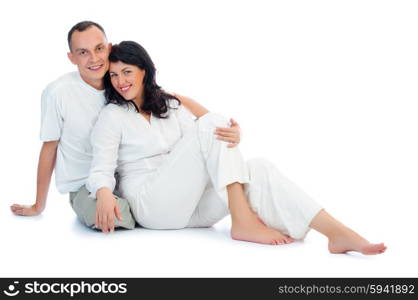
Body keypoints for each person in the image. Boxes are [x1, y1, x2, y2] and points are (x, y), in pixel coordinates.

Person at [88, 41, 387, 255]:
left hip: (192, 209)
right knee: (212, 123)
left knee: (259, 167)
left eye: (127, 72)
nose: (120, 81)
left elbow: (212, 141)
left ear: (144, 71)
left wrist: (234, 135)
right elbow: (101, 168)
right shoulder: (112, 116)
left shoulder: (169, 105)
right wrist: (102, 193)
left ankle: (336, 233)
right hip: (152, 206)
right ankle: (242, 220)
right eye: (114, 75)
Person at [9, 21, 242, 231]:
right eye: (83, 52)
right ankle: (143, 211)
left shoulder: (121, 86)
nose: (94, 58)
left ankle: (155, 208)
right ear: (72, 58)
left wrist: (226, 131)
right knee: (115, 216)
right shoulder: (58, 92)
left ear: (108, 47)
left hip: (127, 176)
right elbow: (49, 147)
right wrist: (39, 205)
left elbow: (167, 99)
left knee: (240, 170)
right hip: (86, 182)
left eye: (99, 49)